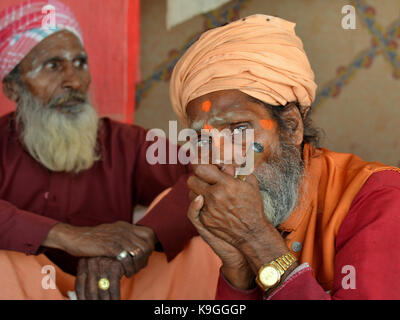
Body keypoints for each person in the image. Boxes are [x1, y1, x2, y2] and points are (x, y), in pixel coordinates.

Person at [166, 14, 400, 299]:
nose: (223, 161)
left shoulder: (378, 198)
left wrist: (256, 239)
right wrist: (239, 270)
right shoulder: (248, 215)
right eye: (203, 139)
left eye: (239, 130)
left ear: (291, 126)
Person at [0, 0, 217, 300]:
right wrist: (70, 237)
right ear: (12, 87)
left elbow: (206, 177)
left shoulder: (123, 142)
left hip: (113, 291)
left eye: (80, 63)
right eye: (52, 66)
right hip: (20, 291)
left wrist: (144, 237)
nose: (74, 81)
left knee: (200, 241)